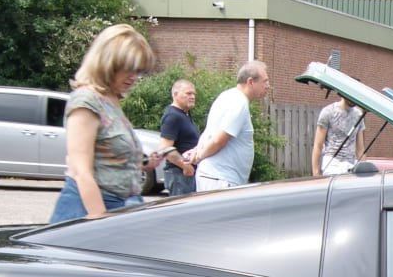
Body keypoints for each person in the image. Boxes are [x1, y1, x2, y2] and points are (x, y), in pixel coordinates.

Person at [48, 24, 158, 223]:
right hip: (89, 209)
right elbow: (81, 172)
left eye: (139, 70)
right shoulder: (86, 101)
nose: (134, 77)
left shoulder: (111, 100)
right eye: (129, 68)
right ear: (108, 63)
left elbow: (109, 158)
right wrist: (102, 223)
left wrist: (142, 163)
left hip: (121, 206)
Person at [184, 60, 270, 189]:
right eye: (265, 81)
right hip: (221, 179)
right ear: (250, 82)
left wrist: (197, 150)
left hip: (213, 177)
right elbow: (219, 140)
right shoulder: (239, 103)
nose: (268, 86)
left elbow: (208, 133)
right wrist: (199, 156)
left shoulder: (226, 96)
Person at [156, 78, 199, 196]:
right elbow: (164, 148)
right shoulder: (172, 116)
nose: (193, 96)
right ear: (175, 94)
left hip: (186, 175)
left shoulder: (184, 114)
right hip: (179, 175)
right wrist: (185, 166)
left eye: (194, 93)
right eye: (188, 93)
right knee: (182, 212)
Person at [311, 96, 366, 175]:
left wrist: (364, 174)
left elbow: (360, 149)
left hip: (350, 166)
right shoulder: (328, 111)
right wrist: (316, 174)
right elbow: (318, 145)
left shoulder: (358, 115)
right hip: (331, 165)